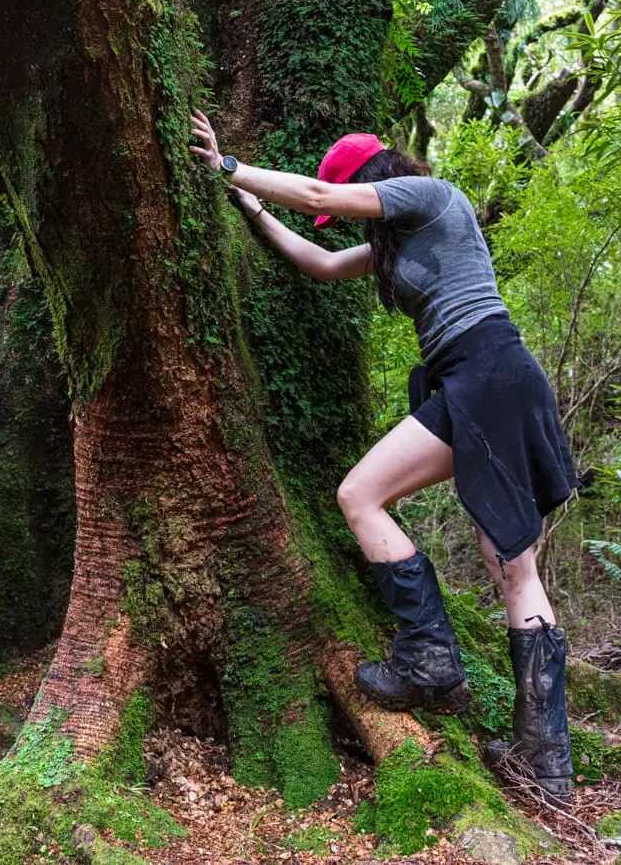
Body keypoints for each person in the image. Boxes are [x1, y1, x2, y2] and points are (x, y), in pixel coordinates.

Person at [188, 109, 579, 801]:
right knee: (510, 566)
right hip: (478, 381)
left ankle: (432, 659)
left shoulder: (432, 198)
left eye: (357, 207)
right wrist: (249, 208)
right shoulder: (394, 242)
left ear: (372, 180)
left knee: (361, 495)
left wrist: (228, 164)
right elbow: (321, 260)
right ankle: (545, 764)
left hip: (487, 370)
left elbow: (317, 198)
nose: (359, 227)